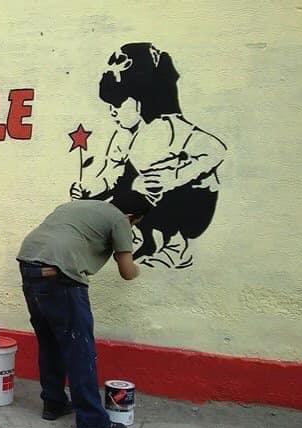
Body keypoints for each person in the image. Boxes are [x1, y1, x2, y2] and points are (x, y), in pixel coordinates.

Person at [71, 43, 227, 268]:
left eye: (118, 102)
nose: (112, 111)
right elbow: (112, 175)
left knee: (147, 180)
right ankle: (144, 239)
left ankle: (175, 245)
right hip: (150, 200)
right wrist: (91, 190)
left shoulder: (173, 128)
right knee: (127, 182)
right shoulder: (123, 136)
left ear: (142, 99)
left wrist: (173, 176)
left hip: (192, 204)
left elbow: (215, 149)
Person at [16, 191, 150, 428]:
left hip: (29, 266)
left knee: (50, 342)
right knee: (80, 349)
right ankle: (91, 421)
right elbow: (127, 271)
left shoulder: (76, 207)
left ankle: (53, 403)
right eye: (135, 223)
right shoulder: (120, 220)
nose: (131, 227)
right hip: (61, 275)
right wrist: (138, 270)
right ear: (131, 216)